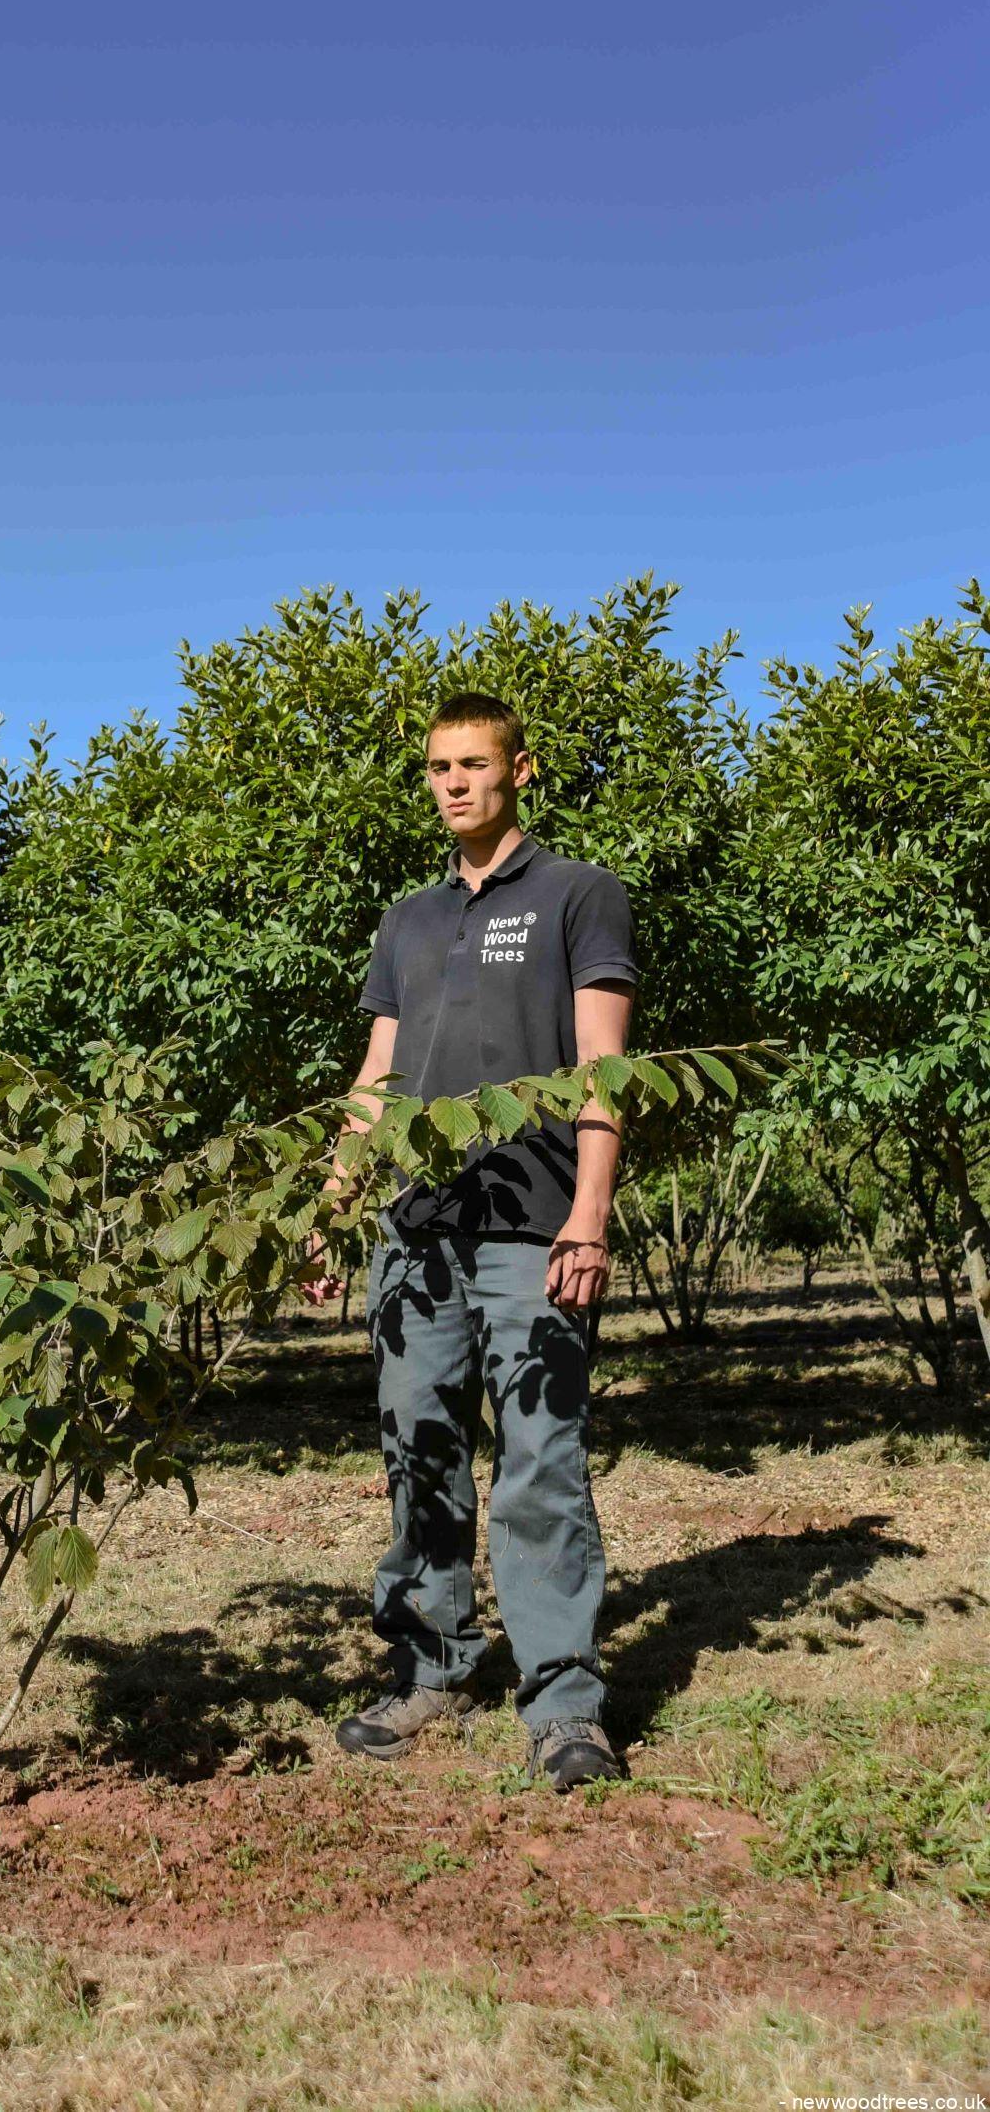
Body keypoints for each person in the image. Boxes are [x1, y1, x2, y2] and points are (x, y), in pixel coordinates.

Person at [305, 691, 637, 1792]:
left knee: (538, 1456)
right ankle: (430, 1666)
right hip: (413, 1227)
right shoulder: (405, 919)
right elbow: (375, 1079)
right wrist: (333, 1200)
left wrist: (588, 1210)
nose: (452, 782)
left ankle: (562, 1703)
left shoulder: (578, 896)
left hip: (531, 1226)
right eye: (437, 766)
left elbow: (602, 1069)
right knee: (418, 1445)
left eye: (473, 764)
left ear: (519, 771)